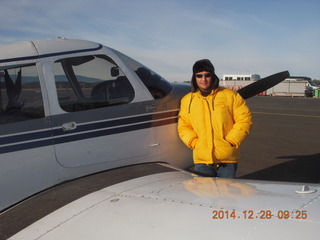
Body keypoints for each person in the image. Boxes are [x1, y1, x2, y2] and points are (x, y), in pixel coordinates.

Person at [178, 59, 252, 178]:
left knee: (226, 194)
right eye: (199, 75)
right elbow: (183, 126)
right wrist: (194, 142)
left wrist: (231, 141)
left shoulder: (230, 96)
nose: (203, 79)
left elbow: (244, 119)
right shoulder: (187, 100)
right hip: (202, 160)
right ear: (194, 78)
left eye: (207, 75)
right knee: (203, 194)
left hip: (227, 160)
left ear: (213, 76)